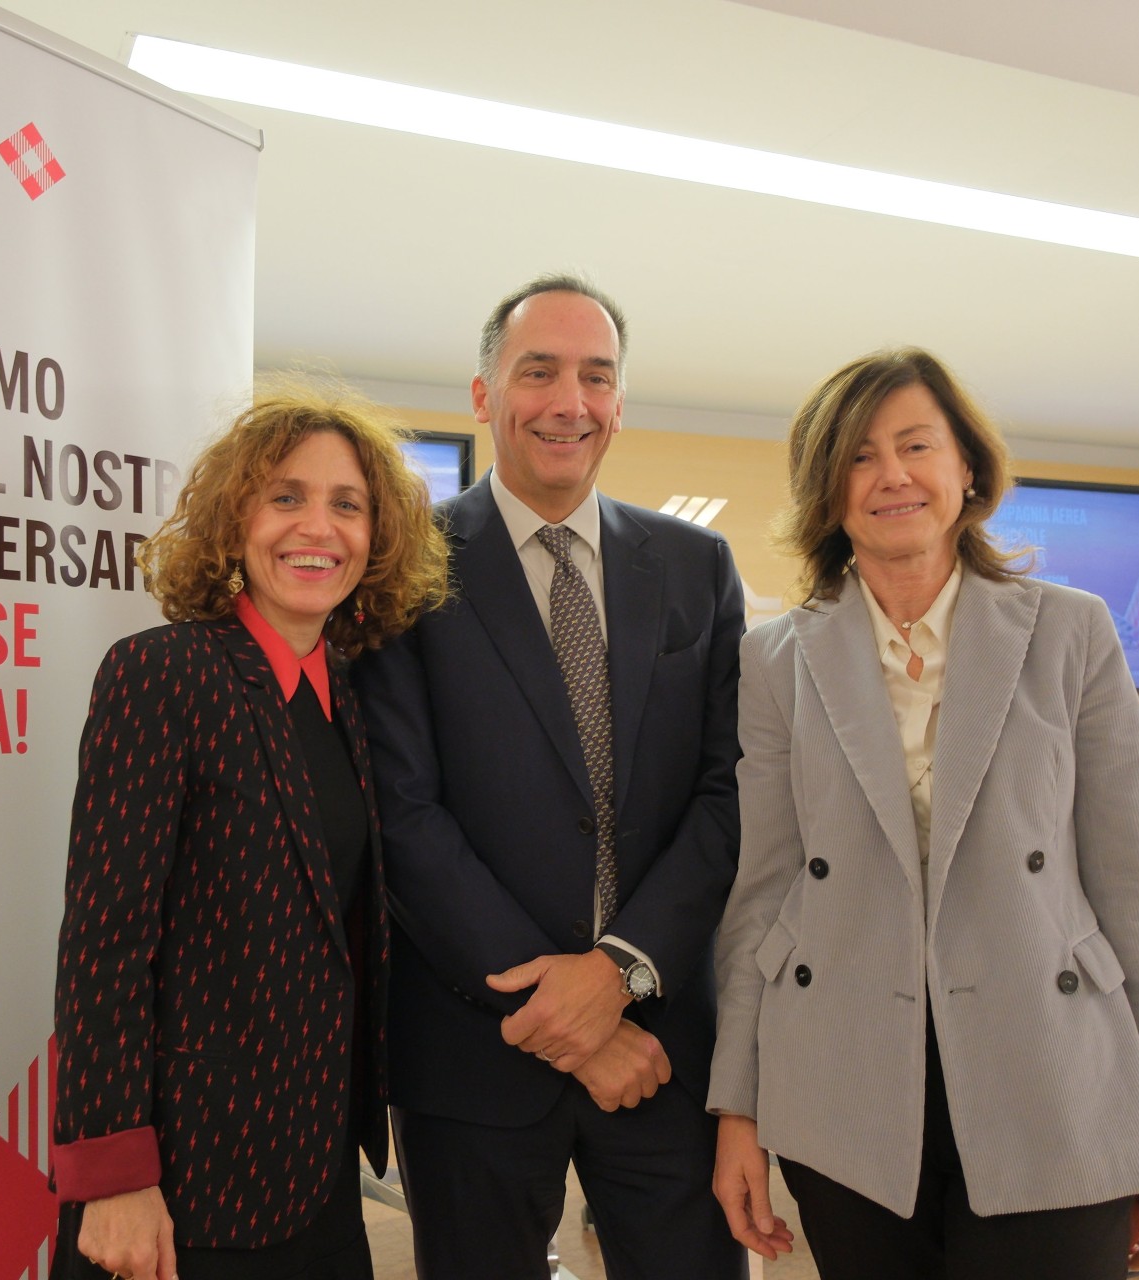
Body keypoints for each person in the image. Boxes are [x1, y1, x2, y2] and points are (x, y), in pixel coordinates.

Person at [709, 347, 1139, 1279]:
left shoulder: (1071, 632)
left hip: (1054, 1078)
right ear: (826, 490)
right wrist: (738, 1108)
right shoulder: (775, 659)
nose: (891, 475)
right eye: (859, 456)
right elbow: (763, 895)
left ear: (968, 469)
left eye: (916, 446)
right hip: (844, 1087)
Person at [354, 275, 748, 1278]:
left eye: (596, 376)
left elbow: (728, 792)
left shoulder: (697, 566)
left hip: (663, 1047)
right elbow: (403, 815)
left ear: (619, 401)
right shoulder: (403, 564)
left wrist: (619, 973)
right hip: (475, 1052)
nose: (569, 401)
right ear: (484, 394)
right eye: (539, 371)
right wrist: (570, 1022)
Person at [50, 380, 448, 1280]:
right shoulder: (162, 675)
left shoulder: (349, 697)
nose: (319, 527)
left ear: (377, 536)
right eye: (287, 497)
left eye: (347, 505)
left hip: (315, 1165)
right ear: (236, 521)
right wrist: (113, 1176)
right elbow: (104, 944)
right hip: (185, 1177)